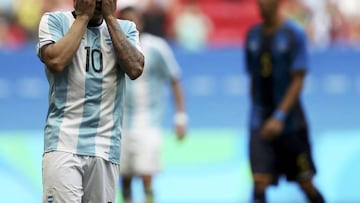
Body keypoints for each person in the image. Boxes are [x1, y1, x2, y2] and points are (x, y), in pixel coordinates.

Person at [36, 0, 144, 202]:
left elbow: (135, 68)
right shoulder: (54, 21)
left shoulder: (126, 28)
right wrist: (83, 17)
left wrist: (110, 18)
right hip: (63, 142)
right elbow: (56, 61)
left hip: (106, 146)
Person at [244, 0, 325, 203]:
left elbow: (298, 79)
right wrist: (257, 114)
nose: (262, 5)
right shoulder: (252, 35)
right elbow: (253, 78)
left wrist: (279, 117)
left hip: (291, 124)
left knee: (305, 184)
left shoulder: (293, 34)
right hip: (260, 122)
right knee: (259, 182)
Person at [117, 6, 187, 203]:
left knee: (147, 174)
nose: (131, 26)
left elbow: (174, 79)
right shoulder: (111, 46)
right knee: (125, 176)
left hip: (148, 121)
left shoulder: (157, 47)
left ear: (141, 22)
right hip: (119, 122)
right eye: (126, 21)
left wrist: (180, 116)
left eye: (134, 21)